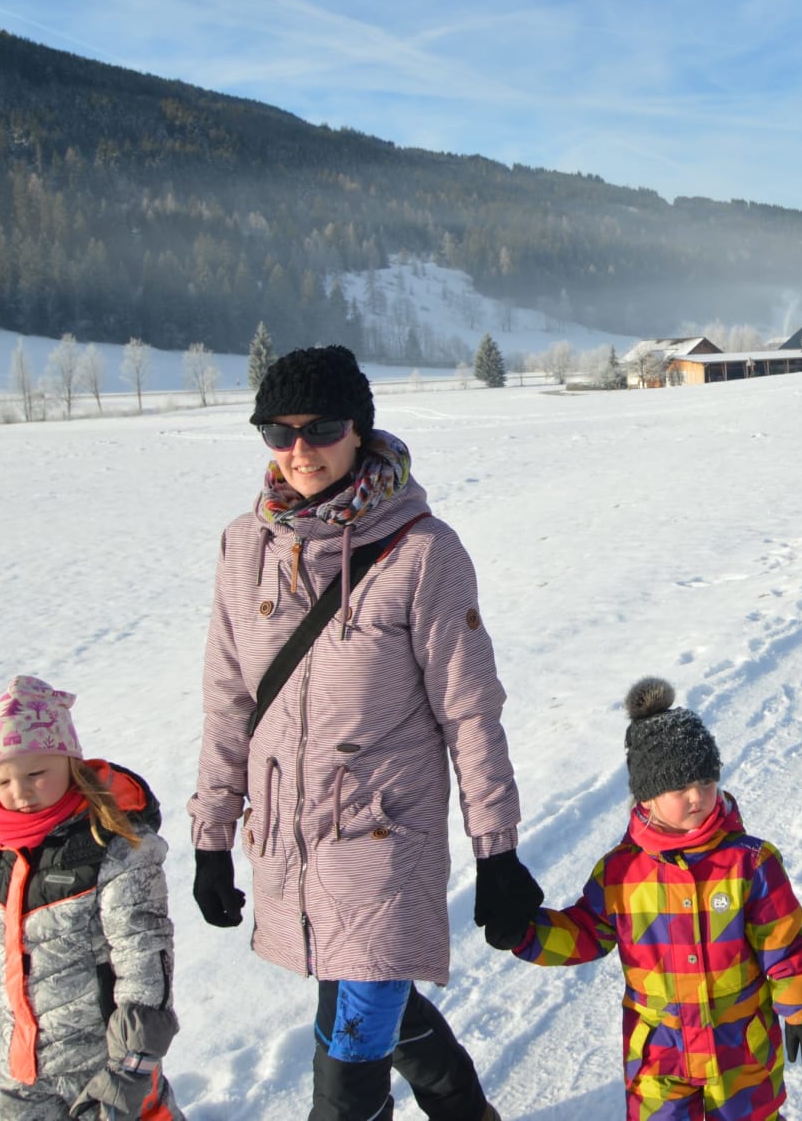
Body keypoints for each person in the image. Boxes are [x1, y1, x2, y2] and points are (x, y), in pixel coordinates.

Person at [188, 344, 541, 1121]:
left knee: (350, 1059)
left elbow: (470, 711)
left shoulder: (423, 551)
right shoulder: (244, 547)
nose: (299, 450)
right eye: (278, 432)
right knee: (371, 998)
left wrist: (498, 852)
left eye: (321, 428)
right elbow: (228, 700)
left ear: (360, 428)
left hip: (384, 840)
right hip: (288, 837)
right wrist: (211, 835)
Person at [487, 677, 802, 1121]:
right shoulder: (622, 872)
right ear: (647, 796)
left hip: (740, 1046)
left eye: (706, 780)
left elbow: (783, 944)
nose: (697, 796)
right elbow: (586, 932)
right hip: (658, 1050)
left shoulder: (749, 863)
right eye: (679, 787)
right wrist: (527, 934)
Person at [0, 674, 184, 1120]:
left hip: (100, 1064)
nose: (20, 793)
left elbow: (144, 959)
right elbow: (3, 944)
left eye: (36, 773)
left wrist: (132, 1067)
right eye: (2, 780)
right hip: (20, 1068)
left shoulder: (116, 846)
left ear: (70, 761)